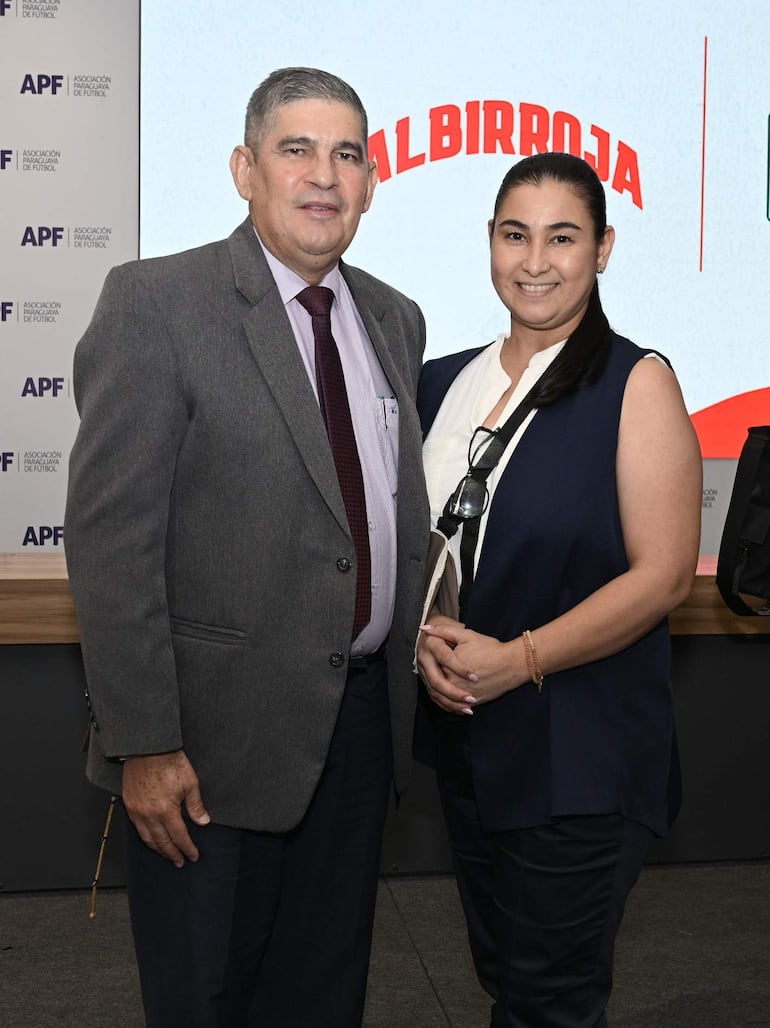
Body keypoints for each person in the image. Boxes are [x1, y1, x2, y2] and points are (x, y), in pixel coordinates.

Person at [64, 67, 429, 1028]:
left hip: (355, 737)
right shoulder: (158, 303)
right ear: (244, 168)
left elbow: (382, 515)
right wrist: (144, 743)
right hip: (205, 757)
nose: (324, 175)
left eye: (347, 153)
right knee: (207, 1003)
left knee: (322, 999)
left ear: (371, 178)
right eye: (295, 149)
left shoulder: (394, 317)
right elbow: (111, 544)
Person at [416, 152, 702, 1027]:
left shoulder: (634, 383)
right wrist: (427, 635)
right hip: (466, 744)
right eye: (515, 235)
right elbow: (422, 547)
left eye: (563, 237)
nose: (535, 260)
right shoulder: (440, 382)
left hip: (578, 752)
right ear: (490, 244)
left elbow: (662, 577)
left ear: (604, 248)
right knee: (507, 971)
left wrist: (521, 660)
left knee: (550, 998)